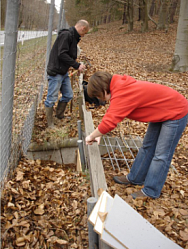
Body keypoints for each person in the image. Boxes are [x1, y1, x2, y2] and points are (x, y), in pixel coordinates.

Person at [85, 71, 188, 199]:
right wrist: (99, 133)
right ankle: (135, 178)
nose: (99, 99)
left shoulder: (122, 91)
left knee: (161, 156)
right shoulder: (118, 87)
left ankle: (150, 191)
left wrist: (91, 136)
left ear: (103, 90)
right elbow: (111, 114)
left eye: (98, 96)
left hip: (175, 111)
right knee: (147, 146)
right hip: (161, 110)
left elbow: (110, 122)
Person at [44, 20, 89, 127]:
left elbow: (68, 55)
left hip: (63, 72)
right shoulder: (66, 35)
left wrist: (73, 66)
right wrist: (77, 65)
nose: (84, 35)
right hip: (56, 72)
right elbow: (62, 54)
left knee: (68, 95)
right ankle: (50, 123)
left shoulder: (73, 37)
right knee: (51, 98)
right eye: (85, 32)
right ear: (82, 28)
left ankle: (59, 115)